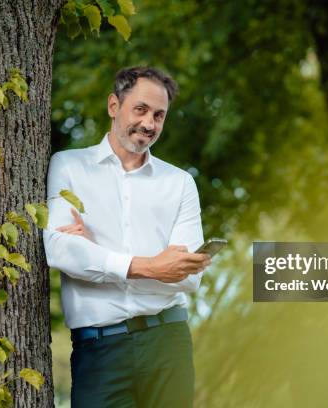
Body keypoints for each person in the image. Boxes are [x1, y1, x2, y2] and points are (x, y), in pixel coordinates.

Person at [43, 66, 211, 408]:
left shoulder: (179, 183)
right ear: (113, 106)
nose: (149, 123)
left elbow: (190, 278)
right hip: (98, 351)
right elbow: (60, 250)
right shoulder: (68, 166)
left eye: (159, 115)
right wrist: (151, 266)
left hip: (168, 343)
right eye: (141, 109)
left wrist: (97, 255)